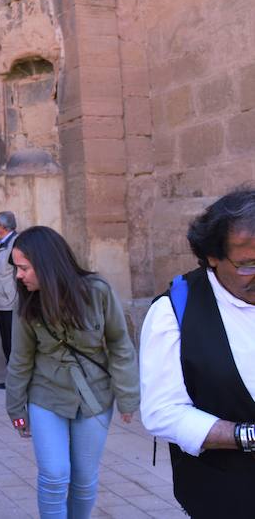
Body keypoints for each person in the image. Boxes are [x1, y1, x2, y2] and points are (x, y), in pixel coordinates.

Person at [5, 226, 139, 519]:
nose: (19, 275)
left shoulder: (97, 291)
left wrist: (128, 396)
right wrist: (15, 407)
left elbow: (120, 343)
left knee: (83, 478)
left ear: (47, 264)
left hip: (94, 397)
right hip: (46, 396)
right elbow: (20, 360)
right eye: (17, 268)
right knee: (54, 475)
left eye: (24, 268)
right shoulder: (27, 304)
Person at [139, 188, 255, 519]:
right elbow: (163, 412)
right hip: (226, 496)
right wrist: (247, 436)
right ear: (212, 257)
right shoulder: (174, 311)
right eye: (248, 264)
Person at [0, 211, 18, 389]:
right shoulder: (4, 244)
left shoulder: (15, 243)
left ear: (3, 227)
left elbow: (19, 274)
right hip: (3, 302)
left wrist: (15, 297)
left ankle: (15, 381)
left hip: (10, 303)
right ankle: (12, 378)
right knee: (7, 341)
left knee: (12, 342)